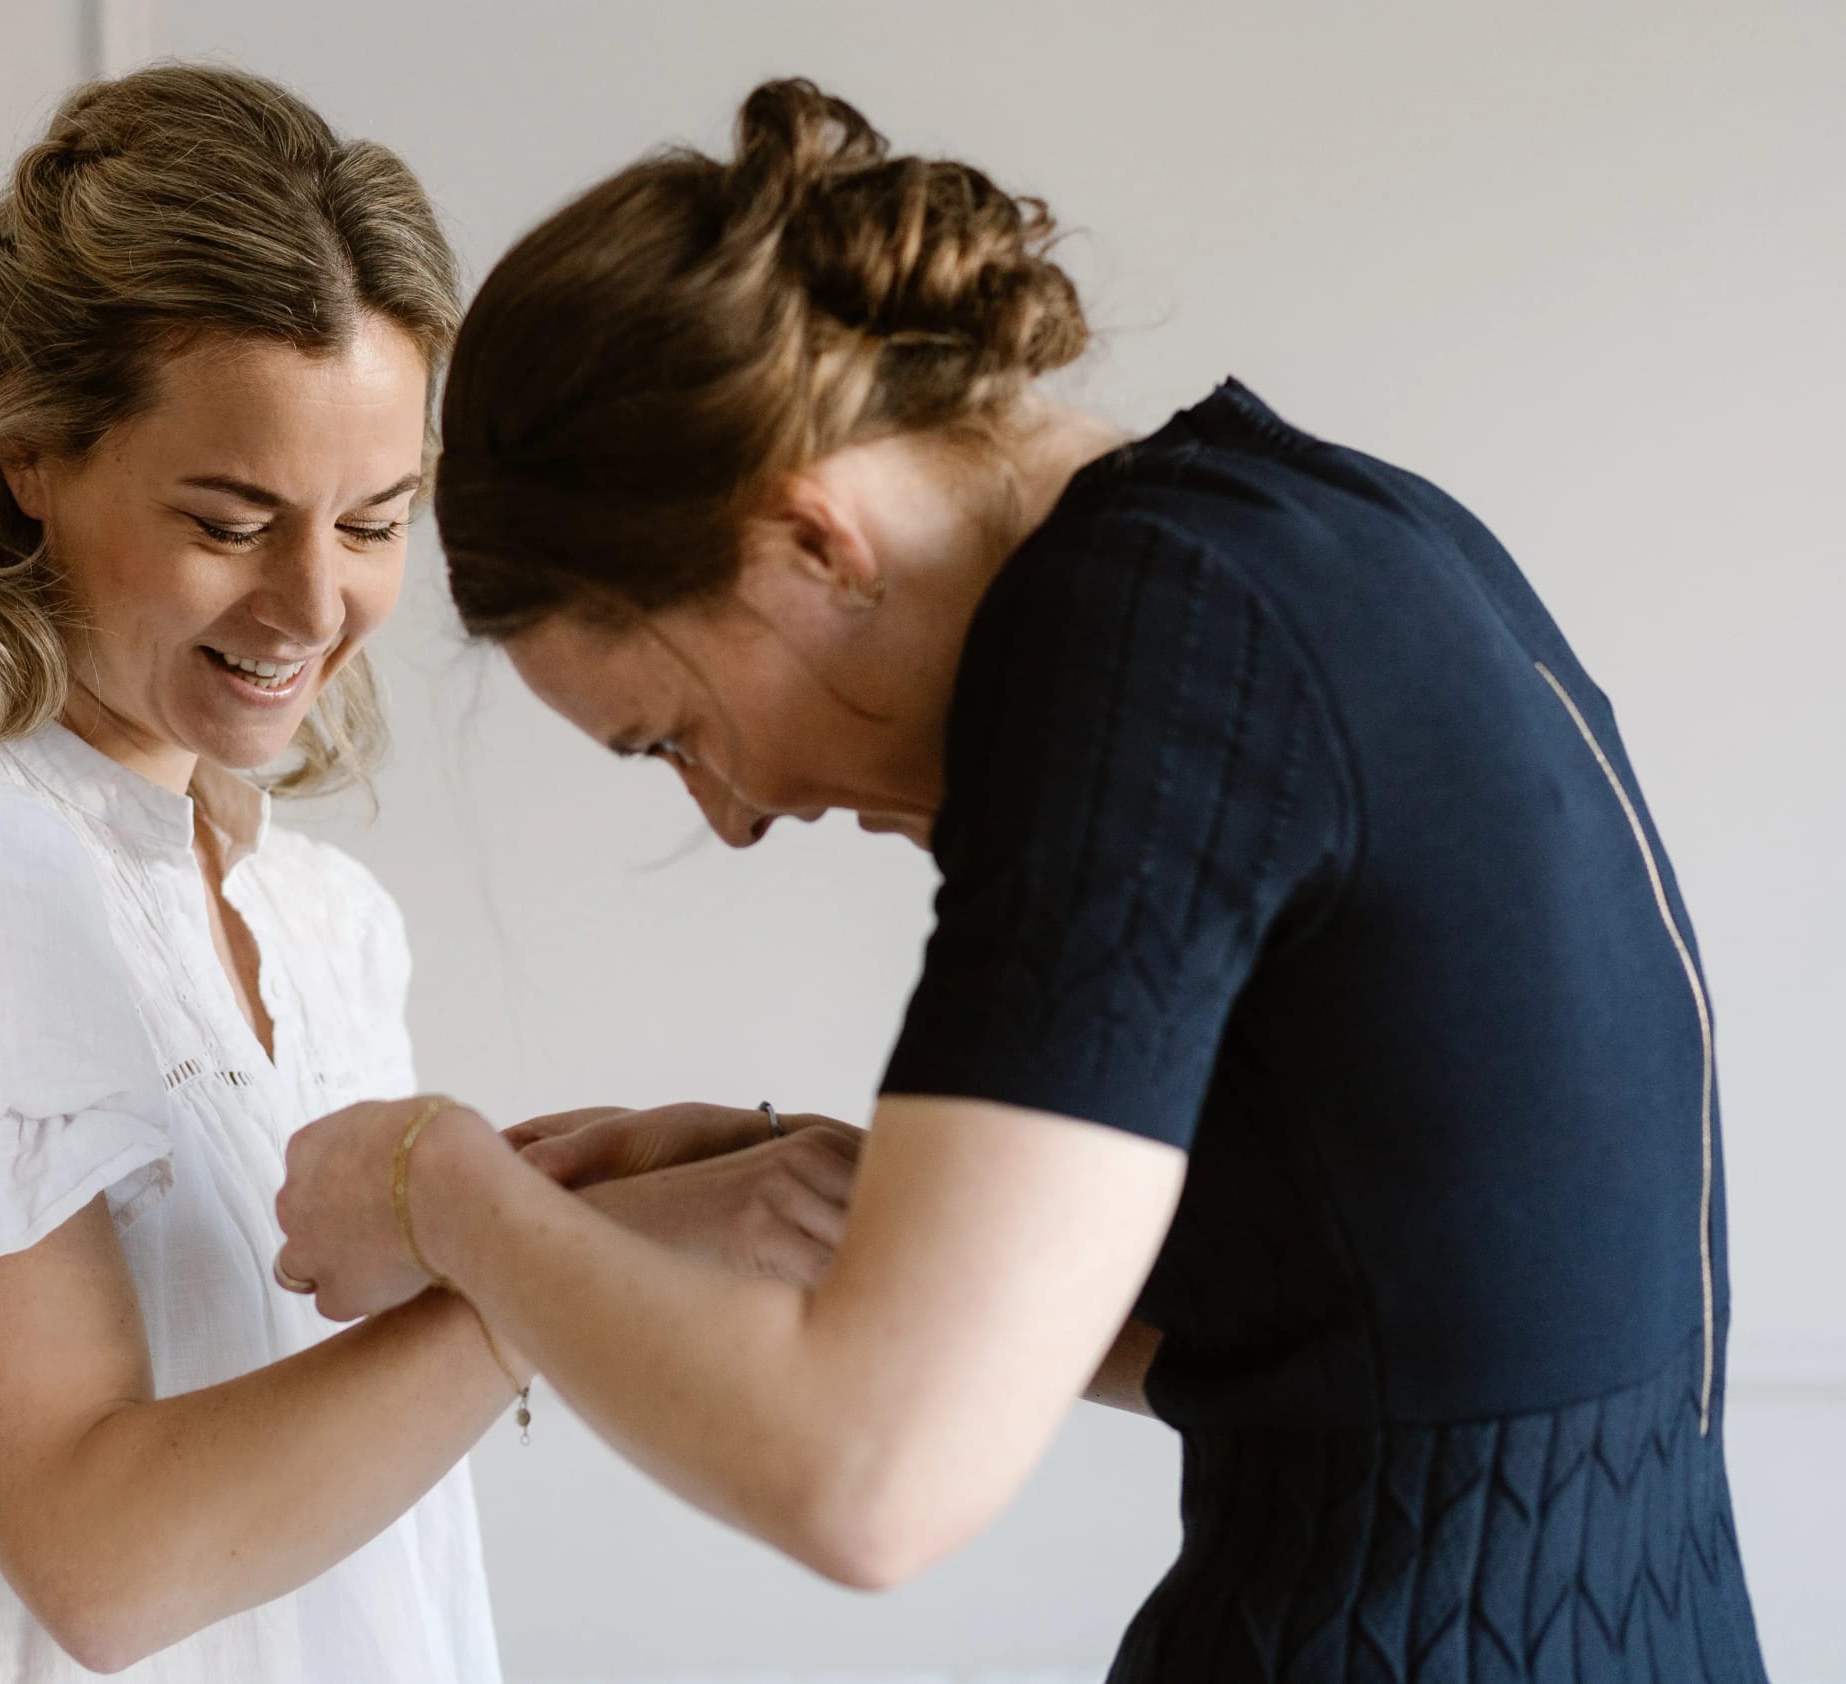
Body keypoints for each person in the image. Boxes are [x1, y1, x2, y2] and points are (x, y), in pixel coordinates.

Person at [274, 78, 1769, 1681]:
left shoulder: (1139, 644)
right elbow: (1404, 1338)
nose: (734, 814)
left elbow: (867, 1479)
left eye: (678, 735)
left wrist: (445, 1188)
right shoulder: (1336, 532)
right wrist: (864, 1214)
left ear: (812, 543)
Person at [0, 64, 857, 1684]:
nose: (308, 605)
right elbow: (110, 1563)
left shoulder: (326, 923)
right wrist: (564, 1259)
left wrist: (600, 1210)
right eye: (231, 518)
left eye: (373, 522)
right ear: (31, 456)